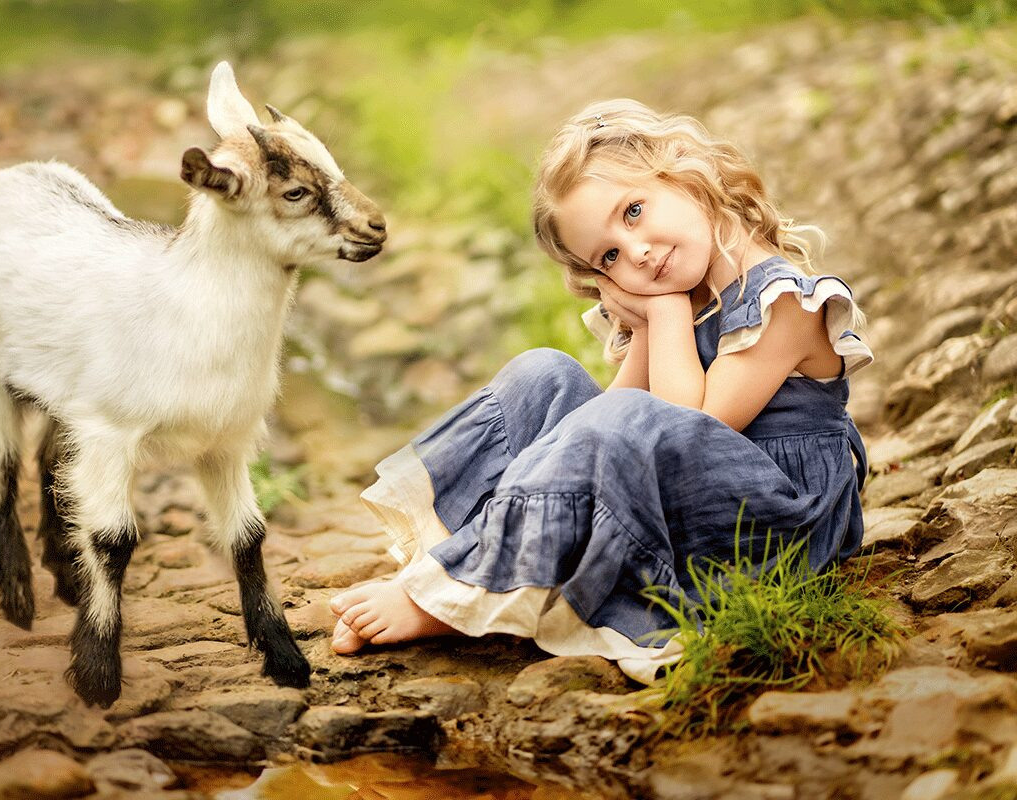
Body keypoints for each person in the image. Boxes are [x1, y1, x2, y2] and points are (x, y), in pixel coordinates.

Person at [329, 98, 872, 682]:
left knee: (626, 419)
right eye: (609, 255)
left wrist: (662, 316)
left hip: (769, 527)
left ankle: (453, 592)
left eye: (634, 210)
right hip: (690, 501)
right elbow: (606, 414)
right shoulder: (684, 287)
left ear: (685, 171)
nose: (635, 251)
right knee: (544, 375)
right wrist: (655, 321)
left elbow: (689, 425)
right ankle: (449, 566)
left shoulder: (784, 301)